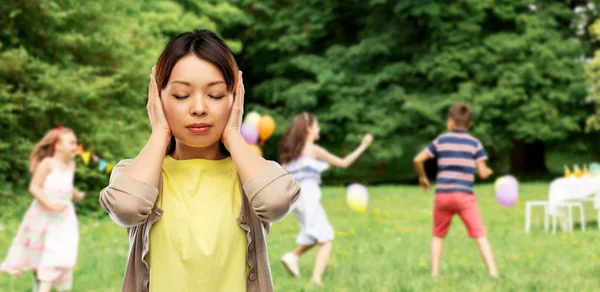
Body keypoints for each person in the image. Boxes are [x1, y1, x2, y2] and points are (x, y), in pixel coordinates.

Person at [99, 30, 300, 292]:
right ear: (157, 99)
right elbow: (127, 207)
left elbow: (276, 202)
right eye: (181, 95)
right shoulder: (136, 173)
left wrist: (232, 134)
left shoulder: (250, 175)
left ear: (235, 98)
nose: (199, 108)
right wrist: (160, 131)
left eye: (215, 95)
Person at [279, 113, 373, 286]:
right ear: (308, 128)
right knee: (326, 238)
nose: (319, 129)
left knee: (314, 233)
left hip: (294, 200)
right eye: (317, 125)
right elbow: (344, 163)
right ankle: (316, 279)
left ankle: (293, 256)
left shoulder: (291, 153)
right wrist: (363, 145)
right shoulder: (312, 149)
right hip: (309, 198)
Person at [413, 103, 499, 278]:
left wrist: (422, 177)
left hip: (443, 196)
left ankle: (434, 273)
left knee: (438, 235)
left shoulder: (441, 140)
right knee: (480, 235)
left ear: (451, 122)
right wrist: (488, 171)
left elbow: (417, 159)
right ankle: (493, 273)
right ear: (469, 124)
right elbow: (482, 173)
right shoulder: (475, 143)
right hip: (464, 197)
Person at [1, 126, 85, 292]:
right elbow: (34, 187)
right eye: (72, 142)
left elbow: (66, 185)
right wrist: (50, 204)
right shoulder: (47, 164)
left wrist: (76, 194)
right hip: (42, 216)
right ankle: (40, 286)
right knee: (38, 255)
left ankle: (44, 286)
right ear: (58, 146)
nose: (76, 147)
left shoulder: (71, 165)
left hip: (63, 218)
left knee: (56, 254)